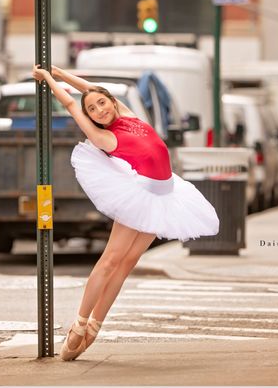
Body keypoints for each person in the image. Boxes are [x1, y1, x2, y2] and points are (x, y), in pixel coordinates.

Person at [31, 64, 220, 361]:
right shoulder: (104, 137)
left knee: (128, 263)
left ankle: (96, 325)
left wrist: (62, 73)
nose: (98, 109)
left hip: (166, 195)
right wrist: (49, 80)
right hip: (141, 196)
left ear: (111, 101)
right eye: (92, 110)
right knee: (110, 262)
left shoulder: (129, 115)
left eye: (101, 103)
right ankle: (79, 325)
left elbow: (87, 88)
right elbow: (71, 102)